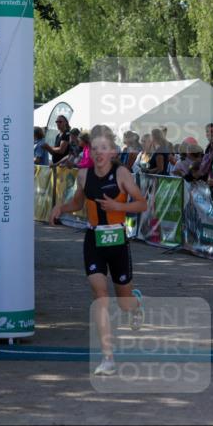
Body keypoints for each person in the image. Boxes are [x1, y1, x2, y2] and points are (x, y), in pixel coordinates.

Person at [49, 126, 148, 376]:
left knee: (124, 303)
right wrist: (61, 208)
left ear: (113, 152)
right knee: (100, 296)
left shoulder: (122, 174)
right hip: (94, 239)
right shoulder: (84, 175)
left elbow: (142, 204)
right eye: (95, 149)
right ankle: (108, 357)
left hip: (117, 240)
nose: (99, 153)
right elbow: (78, 203)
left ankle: (136, 303)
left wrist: (117, 206)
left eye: (104, 148)